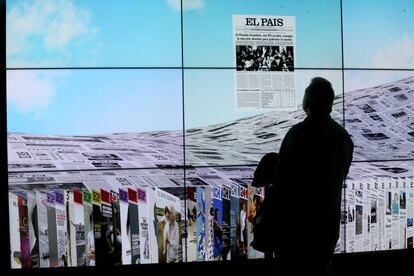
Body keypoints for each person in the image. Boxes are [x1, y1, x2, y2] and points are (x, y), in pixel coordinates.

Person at [273, 77, 354, 275]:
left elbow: (282, 177)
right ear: (330, 104)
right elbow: (343, 174)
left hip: (296, 230)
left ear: (306, 103)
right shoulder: (343, 137)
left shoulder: (296, 134)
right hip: (327, 228)